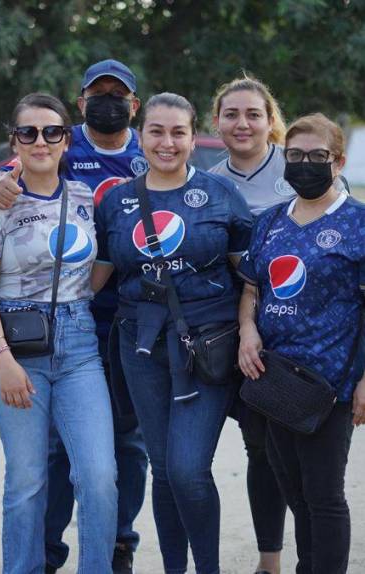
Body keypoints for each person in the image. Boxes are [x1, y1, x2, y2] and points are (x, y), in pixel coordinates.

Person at [0, 59, 148, 574]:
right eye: (96, 93)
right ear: (80, 104)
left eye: (117, 94)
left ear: (134, 105)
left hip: (106, 329)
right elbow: (10, 171)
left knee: (116, 459)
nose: (42, 139)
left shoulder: (152, 151)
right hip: (25, 333)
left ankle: (114, 550)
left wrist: (82, 293)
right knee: (38, 468)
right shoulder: (58, 146)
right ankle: (43, 559)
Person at [92, 93, 253, 574]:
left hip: (206, 345)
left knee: (187, 468)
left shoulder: (221, 195)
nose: (167, 142)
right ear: (140, 135)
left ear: (192, 135)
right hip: (138, 346)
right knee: (163, 470)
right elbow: (94, 277)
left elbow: (250, 278)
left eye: (177, 132)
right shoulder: (117, 200)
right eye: (156, 131)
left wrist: (249, 330)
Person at [237, 112, 365, 574]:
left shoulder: (359, 223)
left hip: (332, 383)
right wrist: (247, 331)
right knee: (291, 487)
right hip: (274, 379)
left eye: (317, 156)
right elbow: (252, 289)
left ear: (339, 161)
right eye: (295, 155)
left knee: (324, 494)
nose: (304, 164)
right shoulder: (270, 222)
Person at [208, 74, 290, 574]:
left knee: (278, 449)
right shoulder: (208, 183)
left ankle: (279, 558)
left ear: (270, 121)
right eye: (232, 114)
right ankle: (269, 559)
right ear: (216, 122)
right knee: (253, 444)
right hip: (226, 333)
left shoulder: (298, 168)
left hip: (291, 335)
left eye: (253, 114)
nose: (242, 123)